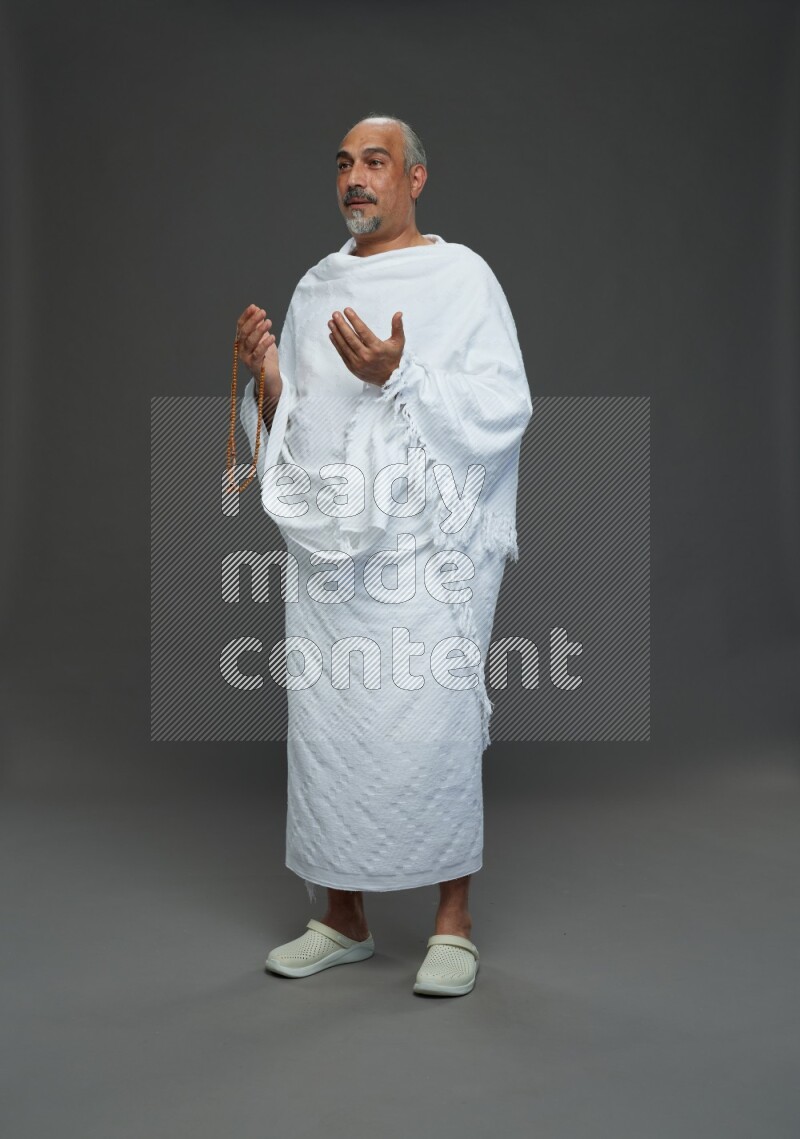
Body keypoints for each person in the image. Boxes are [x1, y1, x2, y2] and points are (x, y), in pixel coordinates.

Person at [235, 113, 532, 996]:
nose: (355, 178)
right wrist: (270, 384)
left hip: (423, 554)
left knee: (432, 722)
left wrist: (400, 375)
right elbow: (295, 428)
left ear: (416, 178)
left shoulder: (461, 278)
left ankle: (453, 922)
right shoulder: (315, 287)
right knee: (331, 729)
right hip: (331, 555)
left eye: (375, 162)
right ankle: (343, 916)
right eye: (343, 165)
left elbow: (504, 404)